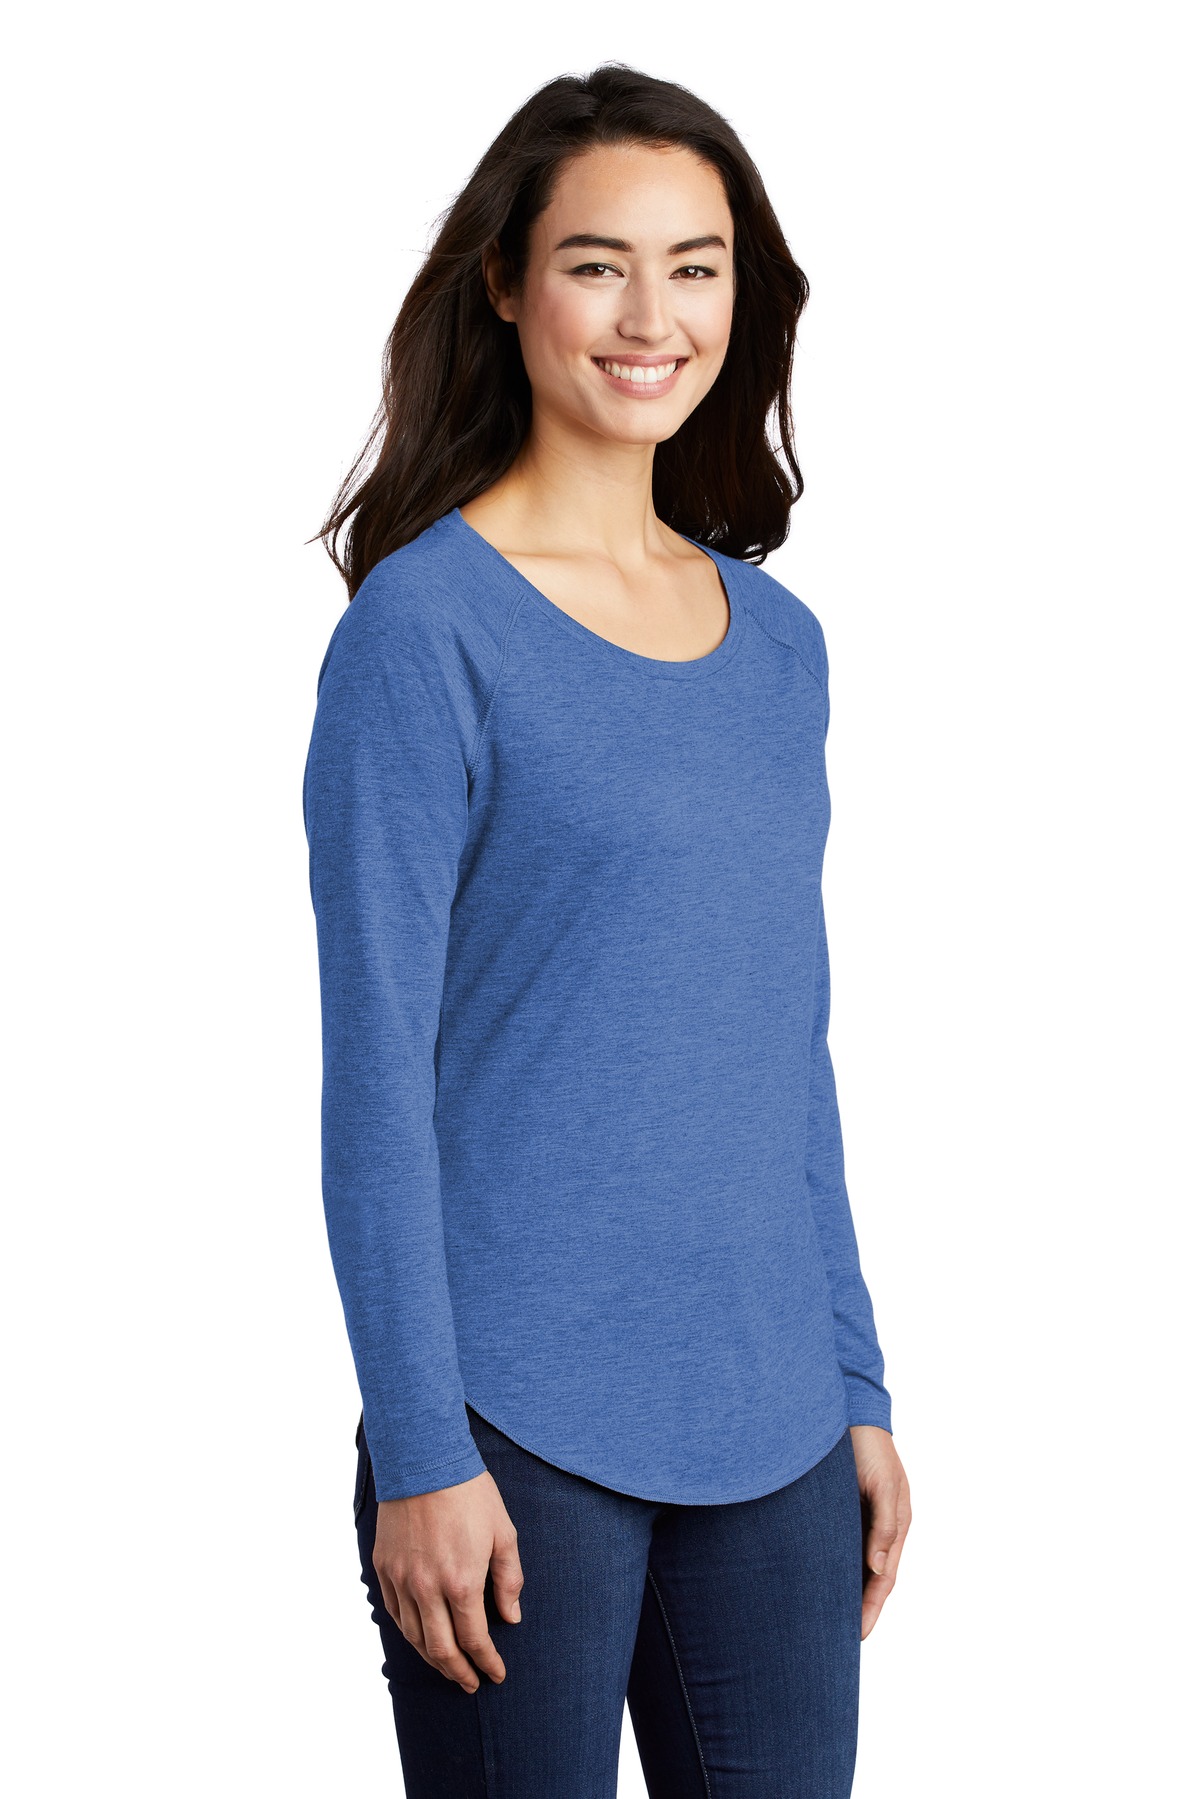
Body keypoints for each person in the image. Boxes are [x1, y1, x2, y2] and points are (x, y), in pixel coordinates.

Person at [303, 62, 911, 1799]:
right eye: (598, 264)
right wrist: (422, 1441)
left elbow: (782, 1049)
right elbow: (376, 1075)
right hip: (511, 1426)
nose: (652, 317)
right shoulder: (424, 633)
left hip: (777, 1422)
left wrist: (856, 1384)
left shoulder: (778, 646)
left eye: (695, 267)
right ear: (506, 283)